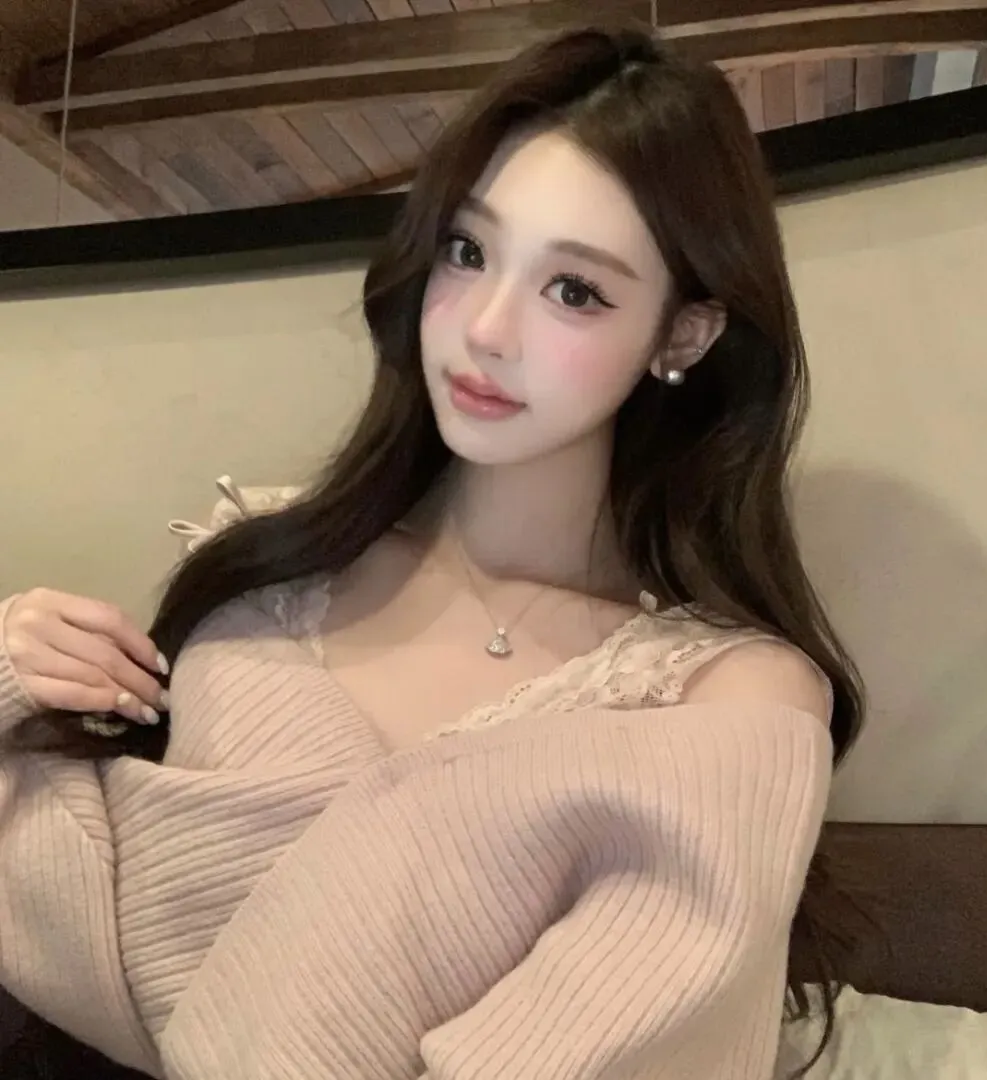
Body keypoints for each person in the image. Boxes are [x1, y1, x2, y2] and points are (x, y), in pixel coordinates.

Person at [0, 24, 865, 1080]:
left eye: (574, 290)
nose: (487, 328)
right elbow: (87, 874)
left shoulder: (728, 703)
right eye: (467, 250)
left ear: (682, 335)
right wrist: (16, 674)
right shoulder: (263, 558)